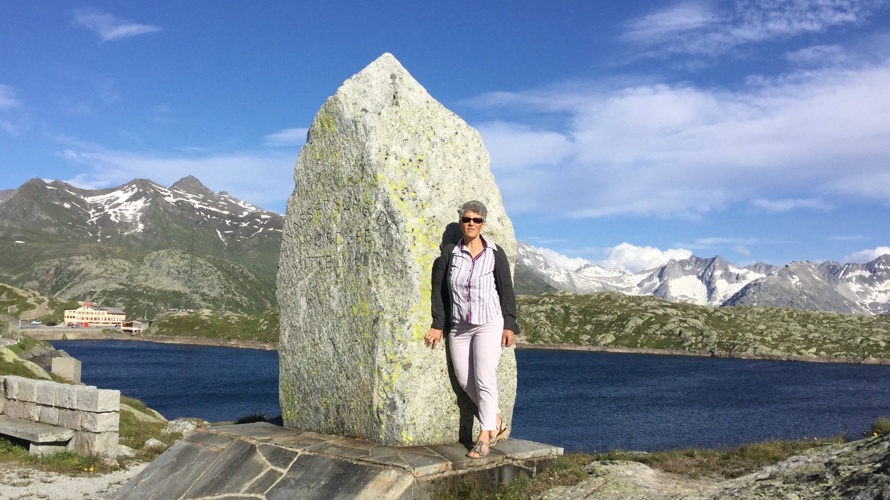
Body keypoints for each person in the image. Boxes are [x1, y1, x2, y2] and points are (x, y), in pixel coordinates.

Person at [424, 200, 520, 459]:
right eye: (467, 219)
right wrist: (438, 324)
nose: (471, 224)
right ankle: (496, 421)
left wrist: (509, 323)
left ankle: (484, 435)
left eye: (476, 220)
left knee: (484, 377)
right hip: (459, 326)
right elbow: (440, 291)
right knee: (466, 381)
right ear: (460, 222)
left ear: (483, 224)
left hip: (489, 323)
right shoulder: (449, 254)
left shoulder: (494, 253)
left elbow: (505, 289)